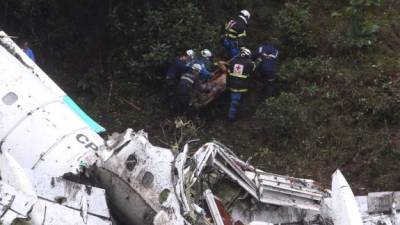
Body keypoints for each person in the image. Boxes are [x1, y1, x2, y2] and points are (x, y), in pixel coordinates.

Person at [220, 47, 255, 121]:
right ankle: (231, 118)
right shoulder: (250, 63)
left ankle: (229, 113)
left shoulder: (233, 61)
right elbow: (253, 71)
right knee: (235, 102)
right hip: (241, 86)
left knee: (232, 100)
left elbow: (227, 68)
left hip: (231, 85)